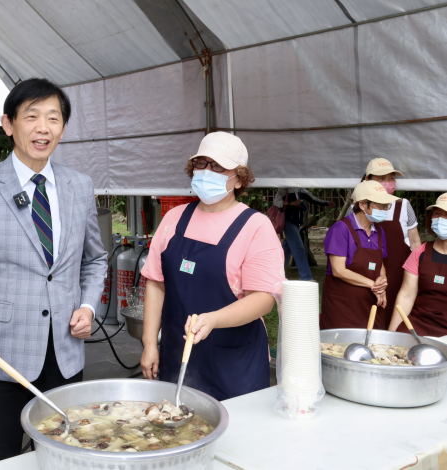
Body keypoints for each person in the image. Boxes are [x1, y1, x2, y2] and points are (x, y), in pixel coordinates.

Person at [0, 78, 107, 467]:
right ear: (9, 124)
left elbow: (95, 259)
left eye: (53, 118)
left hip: (65, 355)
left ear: (62, 128)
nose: (43, 128)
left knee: (62, 459)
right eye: (31, 117)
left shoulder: (79, 186)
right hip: (0, 358)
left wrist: (88, 306)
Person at [139, 132, 284, 401]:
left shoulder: (255, 226)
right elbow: (156, 284)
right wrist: (149, 343)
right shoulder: (173, 219)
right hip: (177, 354)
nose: (207, 171)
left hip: (234, 363)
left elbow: (263, 300)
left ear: (239, 178)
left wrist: (214, 319)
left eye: (218, 166)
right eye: (201, 163)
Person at [320, 180, 398, 330]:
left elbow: (380, 262)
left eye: (386, 205)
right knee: (341, 342)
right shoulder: (340, 229)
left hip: (371, 303)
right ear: (362, 205)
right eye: (379, 205)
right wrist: (373, 285)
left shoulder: (379, 231)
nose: (384, 209)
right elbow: (338, 270)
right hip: (343, 305)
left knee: (372, 341)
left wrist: (382, 280)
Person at [360, 158, 422, 328]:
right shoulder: (358, 207)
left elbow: (415, 241)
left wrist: (420, 271)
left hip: (398, 276)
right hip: (367, 276)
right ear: (368, 179)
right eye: (381, 178)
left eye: (391, 178)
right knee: (367, 320)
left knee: (395, 315)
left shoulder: (404, 206)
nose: (388, 183)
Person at [388, 193, 447, 336]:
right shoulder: (420, 252)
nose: (440, 219)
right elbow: (406, 296)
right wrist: (391, 336)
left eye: (446, 215)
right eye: (437, 214)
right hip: (418, 324)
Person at [273, 188, 334, 281]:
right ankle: (306, 277)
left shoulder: (301, 189)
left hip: (297, 222)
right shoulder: (284, 189)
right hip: (288, 221)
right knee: (298, 248)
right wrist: (291, 203)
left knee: (287, 247)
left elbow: (312, 198)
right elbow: (276, 202)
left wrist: (326, 203)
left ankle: (275, 272)